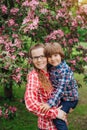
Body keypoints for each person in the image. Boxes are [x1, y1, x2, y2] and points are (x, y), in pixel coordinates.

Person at [24, 43, 67, 130]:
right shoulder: (34, 76)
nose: (39, 60)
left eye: (42, 56)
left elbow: (62, 90)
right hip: (47, 126)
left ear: (47, 56)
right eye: (35, 57)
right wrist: (55, 113)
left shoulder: (53, 71)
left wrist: (69, 106)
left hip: (61, 122)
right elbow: (30, 103)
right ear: (32, 59)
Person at [41, 42, 78, 130]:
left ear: (61, 55)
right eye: (50, 57)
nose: (53, 59)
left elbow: (60, 90)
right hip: (61, 98)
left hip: (69, 100)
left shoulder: (65, 70)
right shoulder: (52, 67)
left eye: (55, 55)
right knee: (51, 115)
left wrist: (49, 104)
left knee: (58, 117)